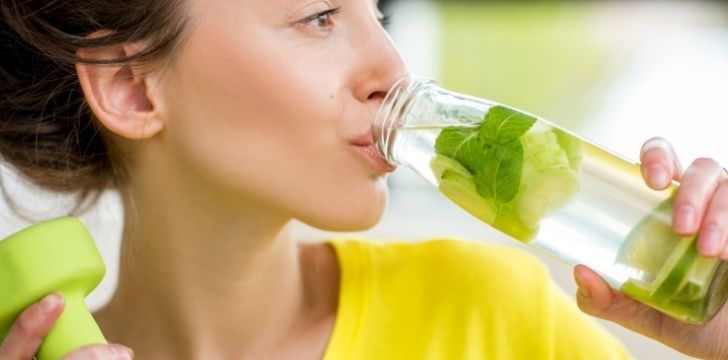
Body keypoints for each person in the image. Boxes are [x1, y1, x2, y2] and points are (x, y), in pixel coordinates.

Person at [0, 0, 727, 359]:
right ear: (132, 89)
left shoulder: (490, 319)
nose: (394, 72)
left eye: (374, 11)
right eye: (318, 18)